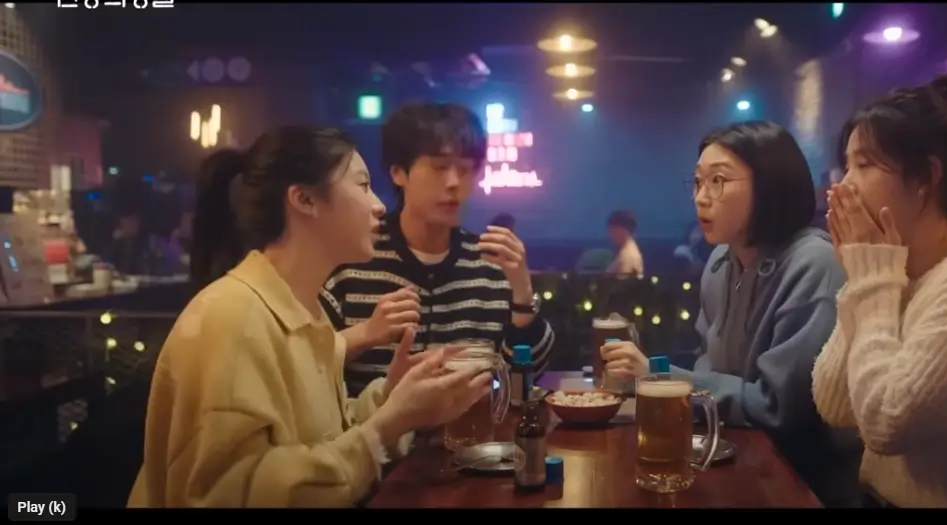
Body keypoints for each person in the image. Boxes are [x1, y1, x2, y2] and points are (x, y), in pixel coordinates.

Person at [129, 126, 491, 507]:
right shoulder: (233, 318)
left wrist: (393, 397)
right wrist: (390, 423)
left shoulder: (303, 309)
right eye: (362, 185)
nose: (380, 206)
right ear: (304, 200)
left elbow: (323, 436)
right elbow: (229, 495)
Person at [601, 120, 859, 507]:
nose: (701, 197)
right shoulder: (721, 261)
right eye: (697, 182)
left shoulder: (814, 264)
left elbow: (778, 408)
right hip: (733, 459)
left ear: (770, 186)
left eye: (718, 181)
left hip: (798, 481)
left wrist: (660, 378)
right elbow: (708, 365)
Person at [812, 75, 947, 507]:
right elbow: (835, 404)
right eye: (846, 166)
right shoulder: (893, 269)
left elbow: (884, 423)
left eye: (865, 165)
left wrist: (872, 279)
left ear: (925, 178)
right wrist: (863, 276)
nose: (844, 185)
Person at [321, 103, 554, 395]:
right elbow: (304, 369)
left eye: (465, 169)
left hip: (472, 423)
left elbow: (521, 383)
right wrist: (365, 334)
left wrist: (522, 294)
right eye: (439, 167)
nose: (454, 182)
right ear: (398, 173)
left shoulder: (489, 266)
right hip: (371, 424)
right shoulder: (352, 259)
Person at [604, 209, 644, 276]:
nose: (610, 235)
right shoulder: (629, 251)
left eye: (613, 231)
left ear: (622, 231)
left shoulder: (627, 258)